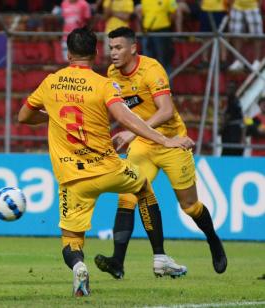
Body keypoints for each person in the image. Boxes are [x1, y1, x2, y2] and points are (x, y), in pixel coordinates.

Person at [18, 26, 195, 296]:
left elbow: (23, 117)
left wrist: (52, 114)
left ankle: (79, 267)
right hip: (110, 169)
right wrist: (167, 140)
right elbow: (127, 120)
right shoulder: (104, 85)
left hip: (72, 179)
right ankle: (159, 256)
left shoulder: (50, 82)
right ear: (96, 53)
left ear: (68, 54)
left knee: (71, 240)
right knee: (144, 187)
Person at [94, 27, 227, 280]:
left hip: (171, 142)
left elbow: (166, 110)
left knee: (190, 206)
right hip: (143, 145)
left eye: (119, 47)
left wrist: (132, 133)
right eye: (111, 48)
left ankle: (212, 239)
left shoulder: (152, 70)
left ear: (133, 48)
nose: (113, 53)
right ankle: (117, 262)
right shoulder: (112, 74)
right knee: (128, 197)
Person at [139, 0, 179, 74]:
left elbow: (174, 13)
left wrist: (166, 23)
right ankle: (149, 83)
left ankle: (165, 83)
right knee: (146, 61)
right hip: (147, 33)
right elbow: (142, 14)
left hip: (162, 33)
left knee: (163, 61)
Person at [227, 0, 263, 71]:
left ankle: (257, 61)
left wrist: (258, 6)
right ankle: (237, 61)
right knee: (236, 34)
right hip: (236, 7)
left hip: (253, 6)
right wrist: (231, 6)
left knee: (257, 34)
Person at [221, 81, 244, 156]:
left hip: (232, 132)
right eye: (228, 88)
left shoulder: (232, 100)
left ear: (235, 90)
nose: (229, 90)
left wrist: (222, 127)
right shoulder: (235, 101)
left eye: (231, 88)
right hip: (233, 132)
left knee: (230, 151)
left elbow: (228, 116)